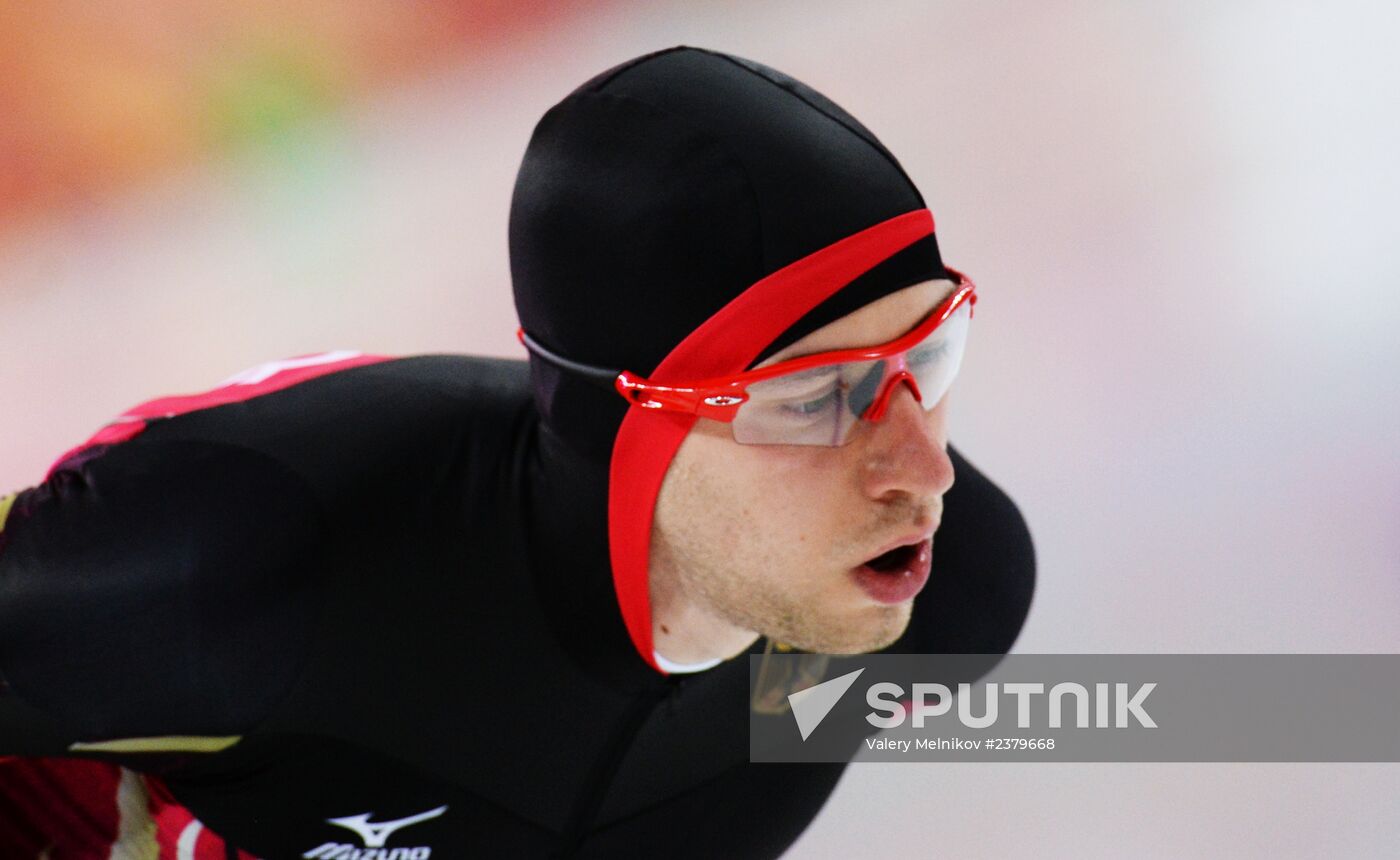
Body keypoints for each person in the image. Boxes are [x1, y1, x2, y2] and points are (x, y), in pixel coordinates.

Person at [0, 46, 1034, 858]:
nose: (923, 471)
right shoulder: (259, 567)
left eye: (930, 352)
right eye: (815, 396)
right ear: (626, 425)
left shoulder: (940, 603)